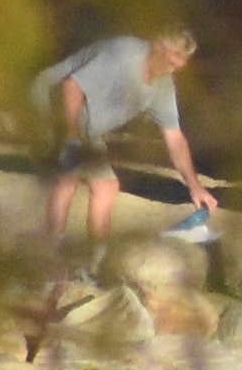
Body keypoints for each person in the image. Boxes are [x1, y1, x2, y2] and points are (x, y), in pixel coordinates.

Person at [38, 30, 211, 245]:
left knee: (106, 186)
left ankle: (95, 257)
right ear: (158, 46)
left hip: (86, 125)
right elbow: (70, 86)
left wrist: (195, 186)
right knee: (68, 177)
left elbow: (174, 137)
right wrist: (71, 135)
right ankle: (51, 253)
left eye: (177, 66)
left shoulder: (163, 85)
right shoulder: (123, 54)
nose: (171, 69)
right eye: (169, 62)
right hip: (49, 106)